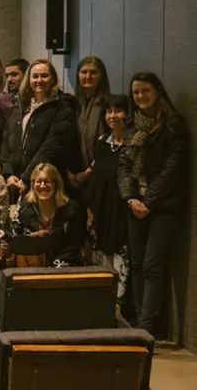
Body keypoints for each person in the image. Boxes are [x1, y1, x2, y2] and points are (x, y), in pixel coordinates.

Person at [118, 72, 188, 334]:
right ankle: (139, 322)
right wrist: (130, 198)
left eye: (145, 90)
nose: (140, 96)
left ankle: (147, 328)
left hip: (163, 206)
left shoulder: (173, 124)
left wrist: (147, 201)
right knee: (136, 265)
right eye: (136, 92)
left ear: (158, 91)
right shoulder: (133, 125)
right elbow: (124, 166)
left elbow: (172, 170)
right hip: (134, 204)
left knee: (152, 266)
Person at [1, 59, 77, 197]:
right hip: (16, 181)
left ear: (53, 79)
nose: (39, 80)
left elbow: (52, 147)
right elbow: (7, 141)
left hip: (44, 181)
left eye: (44, 76)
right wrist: (8, 174)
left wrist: (27, 178)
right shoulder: (21, 105)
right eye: (35, 76)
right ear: (28, 79)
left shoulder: (62, 108)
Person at [83, 94, 130, 305]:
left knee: (122, 258)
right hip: (102, 208)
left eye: (118, 110)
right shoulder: (102, 143)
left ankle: (120, 305)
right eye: (109, 111)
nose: (113, 116)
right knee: (102, 258)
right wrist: (90, 209)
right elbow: (96, 180)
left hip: (122, 209)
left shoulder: (133, 144)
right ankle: (102, 304)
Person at [3, 162, 86, 267]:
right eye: (38, 181)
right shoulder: (23, 208)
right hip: (29, 268)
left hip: (65, 267)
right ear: (32, 184)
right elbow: (15, 240)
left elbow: (74, 246)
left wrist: (54, 269)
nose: (42, 186)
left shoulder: (71, 209)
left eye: (47, 182)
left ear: (56, 184)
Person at [71, 56, 111, 188]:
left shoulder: (109, 105)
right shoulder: (72, 104)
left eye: (93, 72)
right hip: (75, 174)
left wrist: (88, 172)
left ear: (101, 76)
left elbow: (109, 142)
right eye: (84, 72)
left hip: (100, 173)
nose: (88, 76)